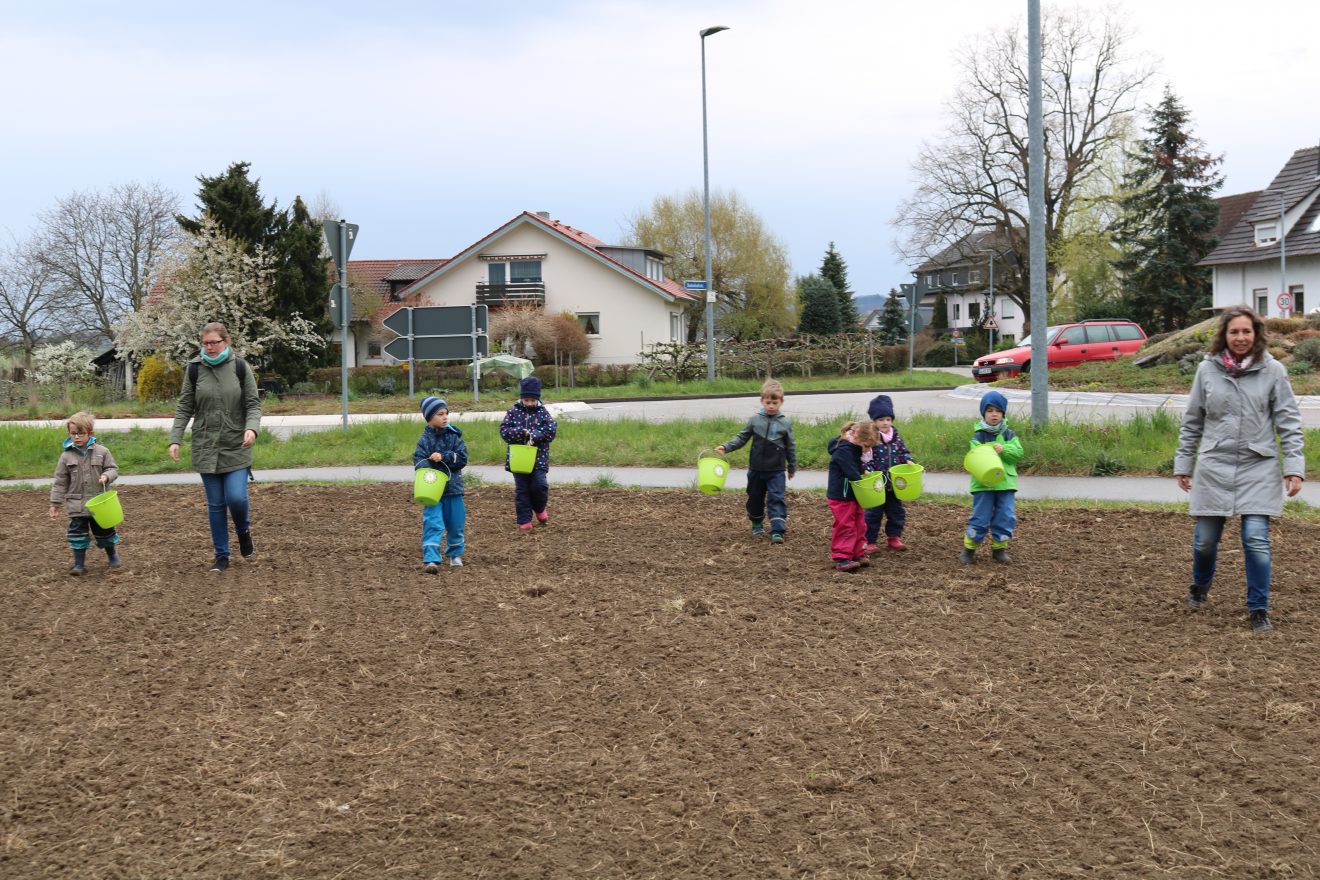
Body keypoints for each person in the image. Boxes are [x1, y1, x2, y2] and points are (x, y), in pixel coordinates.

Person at [1174, 306, 1304, 633]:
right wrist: (1183, 463)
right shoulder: (1207, 370)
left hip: (1258, 465)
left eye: (1247, 331)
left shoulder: (1272, 370)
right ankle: (1200, 587)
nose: (1241, 338)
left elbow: (1288, 422)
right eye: (1234, 332)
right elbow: (1192, 421)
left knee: (1255, 538)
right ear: (1225, 335)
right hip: (1214, 465)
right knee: (1205, 541)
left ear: (1256, 334)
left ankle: (1259, 608)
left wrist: (1294, 468)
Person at [168, 322, 262, 573]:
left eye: (214, 343)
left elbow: (253, 404)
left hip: (235, 444)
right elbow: (185, 406)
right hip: (206, 445)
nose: (209, 348)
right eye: (205, 343)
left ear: (226, 342)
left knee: (236, 498)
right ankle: (221, 555)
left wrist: (251, 428)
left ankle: (243, 530)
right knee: (217, 504)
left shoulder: (240, 367)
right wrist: (175, 438)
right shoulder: (194, 370)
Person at [715, 379, 798, 543]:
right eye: (768, 402)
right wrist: (726, 447)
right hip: (756, 470)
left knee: (776, 497)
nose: (771, 406)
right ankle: (757, 523)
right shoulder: (755, 420)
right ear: (762, 401)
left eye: (775, 402)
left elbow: (791, 446)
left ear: (781, 402)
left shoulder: (785, 423)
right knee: (755, 497)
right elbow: (742, 437)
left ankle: (777, 530)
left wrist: (792, 466)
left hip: (776, 470)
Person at [49, 411, 121, 576]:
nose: (77, 437)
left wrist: (106, 476)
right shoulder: (66, 457)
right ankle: (79, 565)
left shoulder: (102, 451)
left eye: (81, 433)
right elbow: (60, 481)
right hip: (77, 505)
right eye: (73, 433)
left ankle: (112, 556)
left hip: (100, 504)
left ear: (90, 433)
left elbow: (113, 469)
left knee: (105, 532)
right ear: (69, 434)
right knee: (77, 536)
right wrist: (55, 503)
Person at [961, 389, 1023, 565]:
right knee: (980, 517)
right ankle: (969, 549)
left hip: (1005, 484)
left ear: (1003, 413)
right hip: (984, 484)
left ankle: (999, 549)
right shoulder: (978, 436)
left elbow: (1018, 453)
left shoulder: (1009, 435)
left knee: (1006, 515)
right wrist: (989, 450)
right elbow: (975, 457)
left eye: (997, 411)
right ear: (984, 414)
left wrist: (1005, 450)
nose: (994, 414)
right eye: (989, 411)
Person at [413, 396, 469, 573]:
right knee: (433, 522)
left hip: (453, 489)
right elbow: (418, 461)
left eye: (446, 413)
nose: (445, 417)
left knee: (456, 523)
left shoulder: (454, 437)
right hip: (432, 491)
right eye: (440, 414)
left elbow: (462, 458)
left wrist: (444, 456)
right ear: (430, 418)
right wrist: (429, 462)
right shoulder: (424, 440)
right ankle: (431, 558)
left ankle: (455, 554)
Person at [499, 376, 558, 531]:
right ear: (522, 398)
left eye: (533, 400)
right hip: (519, 459)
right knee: (522, 489)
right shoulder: (513, 412)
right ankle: (524, 520)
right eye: (526, 400)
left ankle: (539, 509)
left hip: (539, 458)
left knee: (539, 485)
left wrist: (534, 435)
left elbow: (551, 431)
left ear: (537, 399)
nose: (530, 403)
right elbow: (504, 431)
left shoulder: (543, 413)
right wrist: (520, 433)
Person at [862, 394, 914, 553]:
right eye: (881, 419)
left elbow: (903, 452)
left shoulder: (896, 438)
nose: (885, 423)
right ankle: (869, 541)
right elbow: (865, 458)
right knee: (873, 514)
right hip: (877, 484)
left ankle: (894, 538)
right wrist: (868, 471)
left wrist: (908, 460)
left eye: (888, 419)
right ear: (874, 422)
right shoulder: (872, 438)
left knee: (896, 512)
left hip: (894, 484)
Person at [826, 419, 879, 572]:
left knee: (859, 524)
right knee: (845, 525)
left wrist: (864, 471)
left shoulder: (854, 447)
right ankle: (842, 558)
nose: (867, 450)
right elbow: (850, 471)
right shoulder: (843, 449)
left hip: (853, 494)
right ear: (857, 436)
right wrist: (862, 479)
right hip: (842, 495)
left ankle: (857, 553)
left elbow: (856, 464)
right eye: (866, 446)